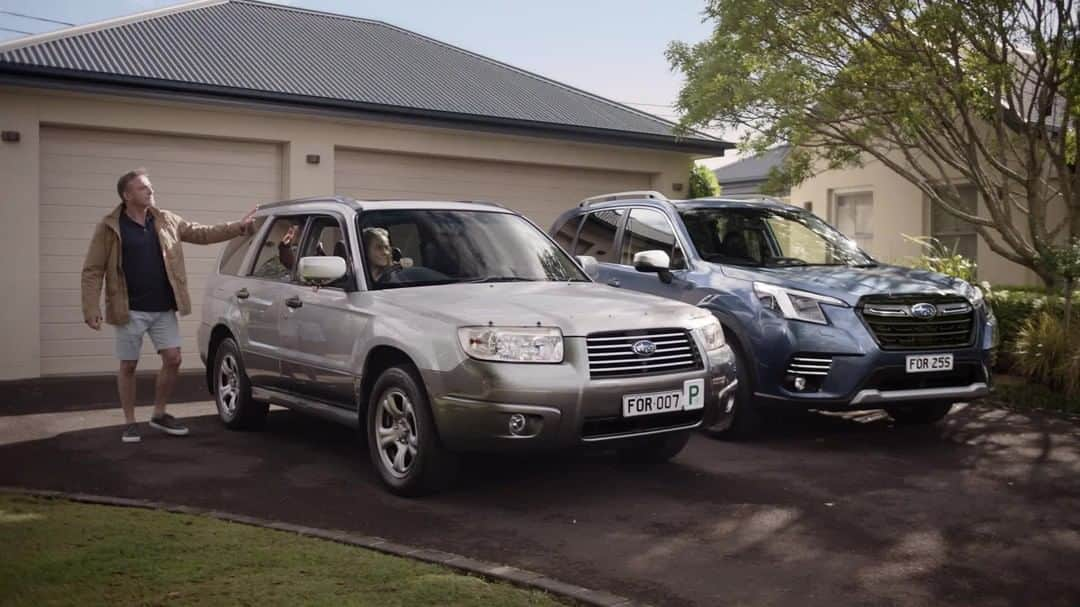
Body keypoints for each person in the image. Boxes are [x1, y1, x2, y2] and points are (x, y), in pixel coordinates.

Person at [81, 168, 256, 443]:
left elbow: (202, 233)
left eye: (150, 187)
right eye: (142, 188)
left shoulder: (166, 220)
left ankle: (159, 414)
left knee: (173, 358)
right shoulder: (109, 227)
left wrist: (239, 227)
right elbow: (92, 269)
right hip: (128, 309)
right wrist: (90, 308)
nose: (150, 191)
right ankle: (129, 422)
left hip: (163, 307)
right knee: (128, 365)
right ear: (127, 195)